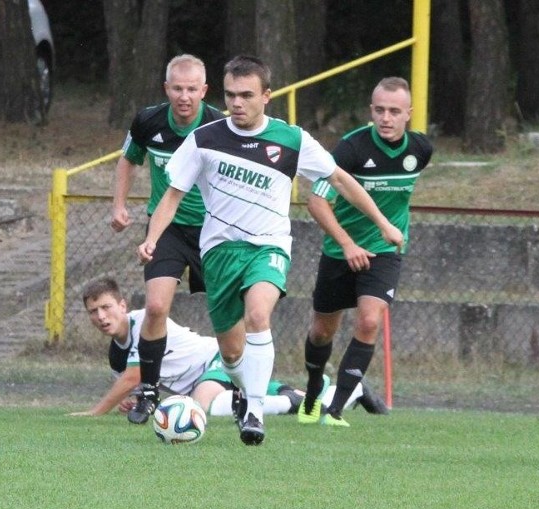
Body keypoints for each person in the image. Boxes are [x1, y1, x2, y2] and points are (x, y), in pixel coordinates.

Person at [137, 55, 403, 446]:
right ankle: (247, 392)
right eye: (230, 95)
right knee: (231, 355)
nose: (237, 103)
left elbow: (341, 181)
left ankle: (255, 412)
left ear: (267, 96)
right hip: (219, 253)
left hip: (268, 247)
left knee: (258, 314)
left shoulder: (292, 140)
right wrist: (152, 239)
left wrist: (383, 224)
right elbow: (172, 194)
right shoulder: (204, 139)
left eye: (246, 95)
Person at [298, 77, 433, 427]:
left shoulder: (420, 150)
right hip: (340, 249)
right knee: (322, 331)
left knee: (370, 320)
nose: (386, 118)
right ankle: (314, 391)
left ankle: (336, 410)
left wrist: (388, 231)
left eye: (394, 111)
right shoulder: (351, 149)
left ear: (409, 114)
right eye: (379, 110)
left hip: (385, 250)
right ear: (371, 111)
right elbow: (315, 202)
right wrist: (347, 244)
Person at [69, 278, 386, 418]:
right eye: (93, 312)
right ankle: (351, 392)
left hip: (216, 360)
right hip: (205, 377)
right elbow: (139, 386)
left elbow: (132, 378)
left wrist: (96, 413)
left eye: (106, 307)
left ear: (122, 305)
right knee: (311, 406)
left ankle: (285, 402)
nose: (101, 316)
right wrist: (131, 402)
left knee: (201, 408)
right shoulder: (115, 354)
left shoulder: (142, 322)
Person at [110, 54, 226, 425]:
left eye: (192, 89)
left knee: (230, 315)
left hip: (213, 230)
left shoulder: (220, 126)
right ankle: (147, 390)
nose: (185, 96)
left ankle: (246, 391)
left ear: (204, 91)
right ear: (167, 89)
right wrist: (119, 206)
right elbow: (128, 160)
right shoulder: (148, 120)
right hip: (166, 229)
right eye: (178, 88)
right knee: (156, 308)